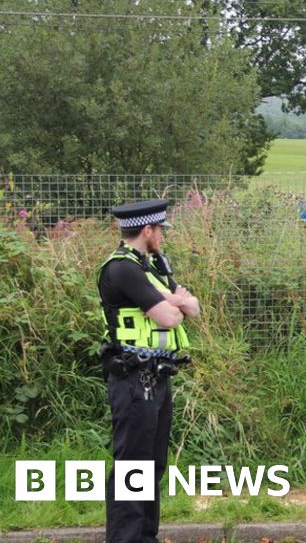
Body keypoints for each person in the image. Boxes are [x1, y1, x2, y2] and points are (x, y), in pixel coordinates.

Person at [97, 199, 200, 543]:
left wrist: (175, 302)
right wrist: (175, 303)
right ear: (147, 230)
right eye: (160, 231)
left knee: (151, 466)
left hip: (158, 377)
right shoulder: (122, 269)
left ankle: (144, 537)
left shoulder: (152, 267)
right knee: (132, 466)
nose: (162, 237)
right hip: (132, 378)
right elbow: (171, 317)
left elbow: (194, 309)